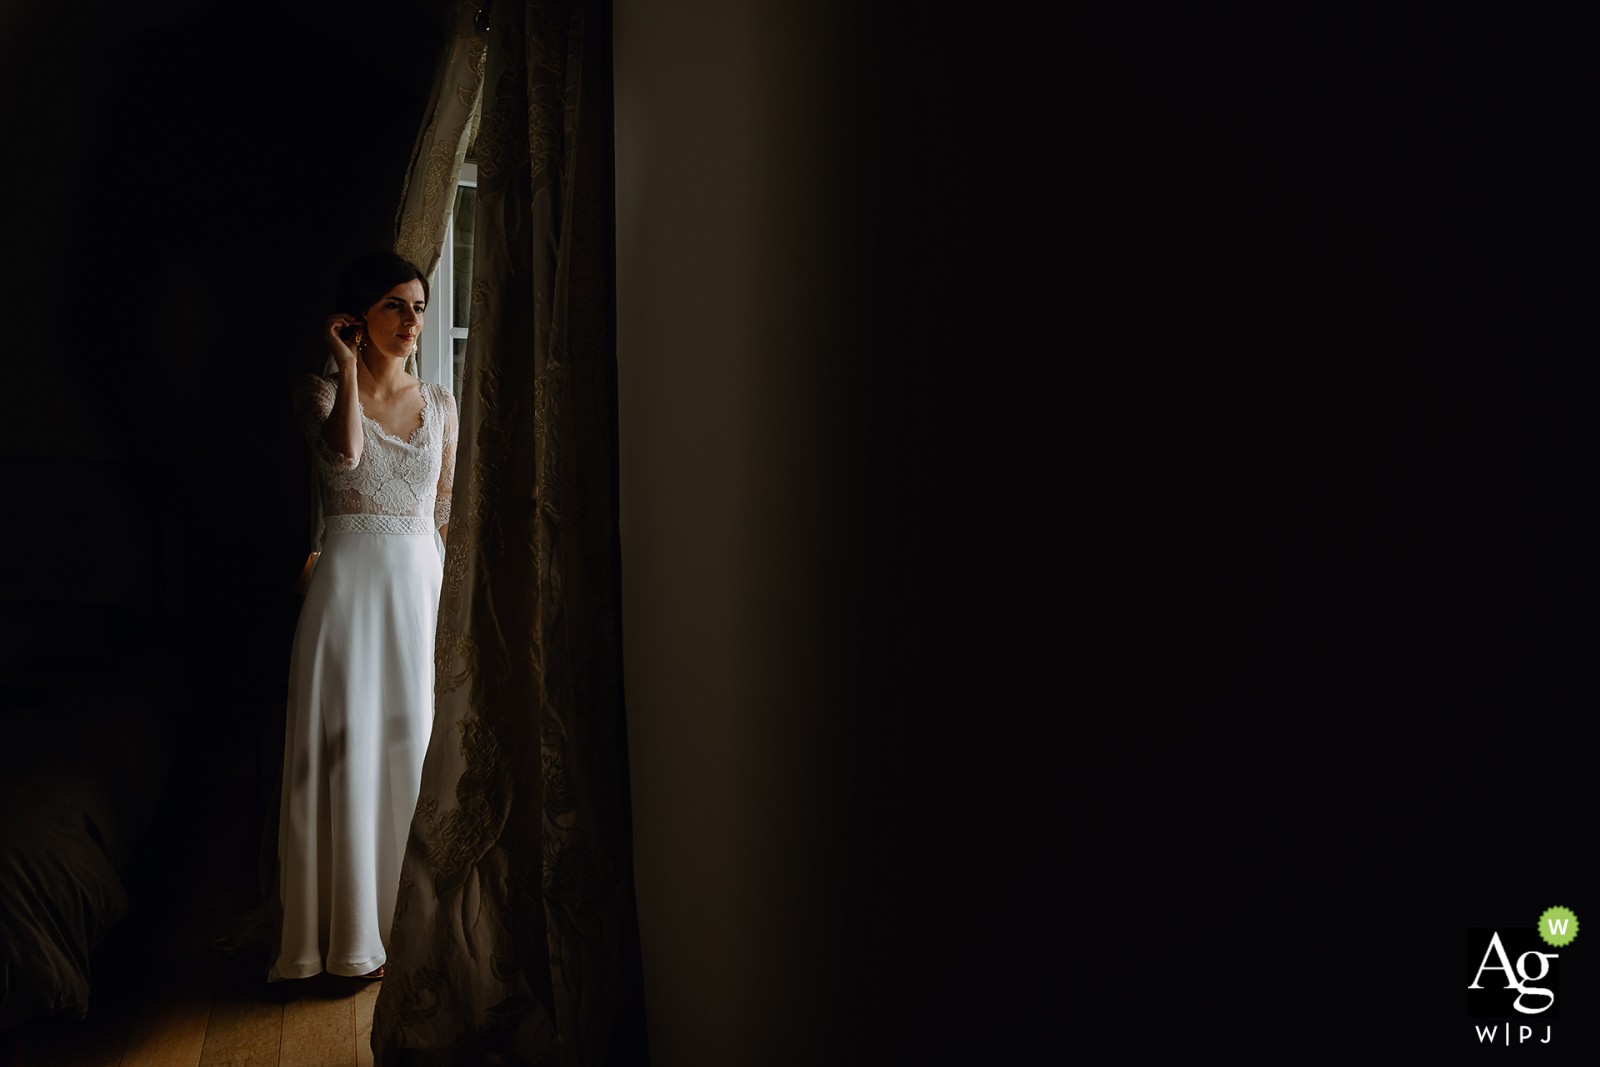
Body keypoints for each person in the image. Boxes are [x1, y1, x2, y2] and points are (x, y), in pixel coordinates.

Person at [269, 251, 458, 982]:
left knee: (413, 748)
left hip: (418, 587)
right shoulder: (316, 392)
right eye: (394, 306)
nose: (412, 321)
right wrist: (348, 369)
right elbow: (344, 460)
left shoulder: (440, 403)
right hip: (347, 589)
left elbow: (441, 512)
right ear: (356, 318)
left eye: (418, 306)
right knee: (344, 756)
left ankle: (408, 926)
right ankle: (342, 944)